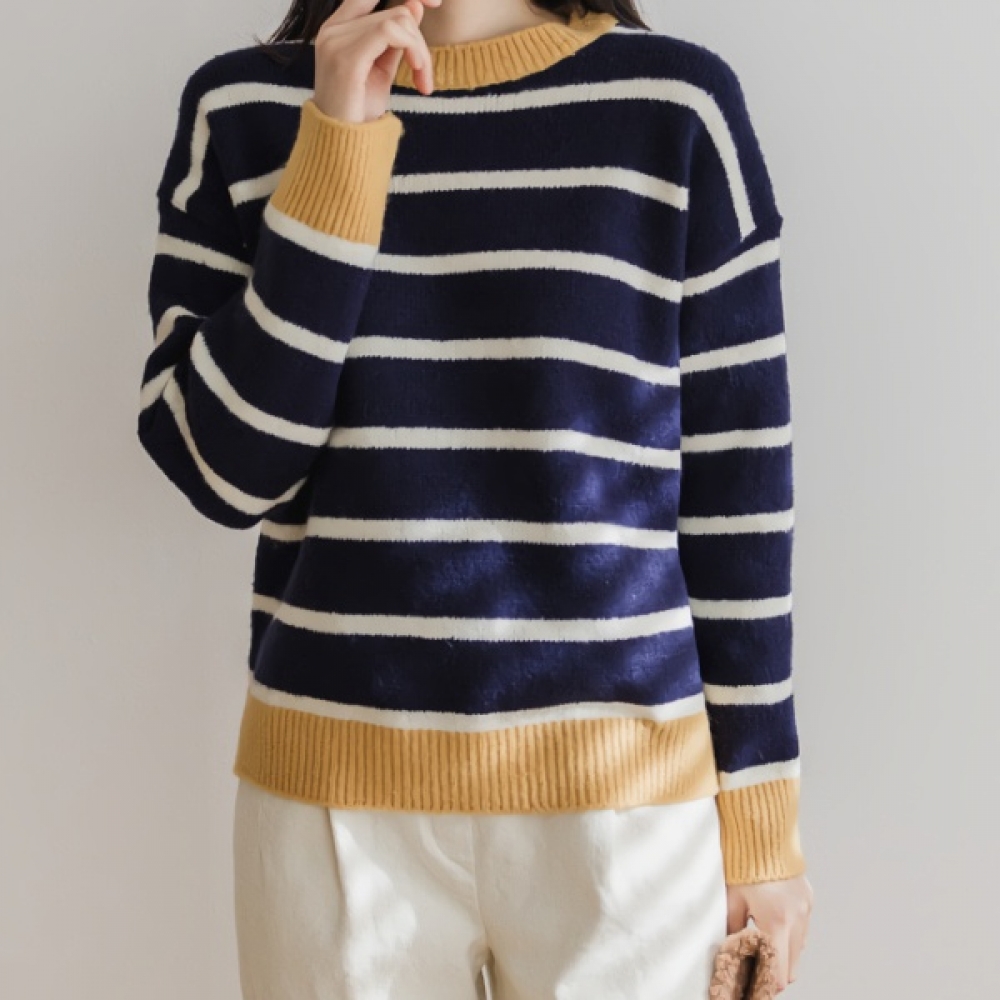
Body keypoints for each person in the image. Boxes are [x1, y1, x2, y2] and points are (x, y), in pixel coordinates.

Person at [137, 0, 814, 996]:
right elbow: (225, 471)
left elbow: (738, 498)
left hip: (625, 823)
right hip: (333, 816)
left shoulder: (674, 107)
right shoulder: (242, 111)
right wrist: (336, 145)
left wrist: (762, 830)